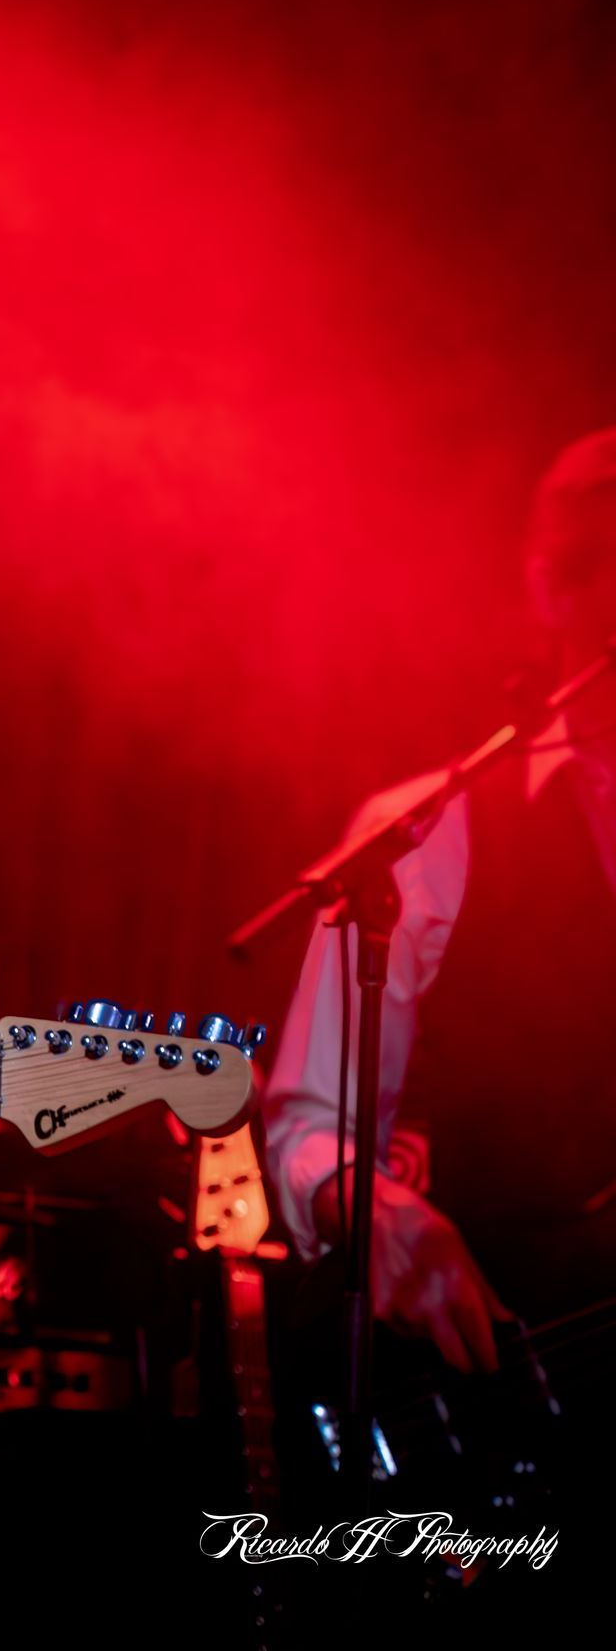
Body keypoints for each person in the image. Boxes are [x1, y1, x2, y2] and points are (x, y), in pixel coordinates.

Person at [263, 430, 616, 1360]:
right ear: (553, 590)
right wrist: (381, 1216)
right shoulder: (437, 830)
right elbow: (310, 1130)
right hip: (516, 1359)